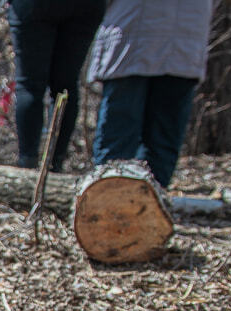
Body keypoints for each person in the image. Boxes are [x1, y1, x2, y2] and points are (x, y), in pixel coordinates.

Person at [88, 1, 214, 189]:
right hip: (188, 41)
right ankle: (152, 201)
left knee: (117, 141)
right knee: (162, 141)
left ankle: (107, 199)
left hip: (130, 39)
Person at [7, 0, 107, 171]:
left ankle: (28, 167)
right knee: (66, 86)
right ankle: (54, 167)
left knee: (30, 85)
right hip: (86, 6)